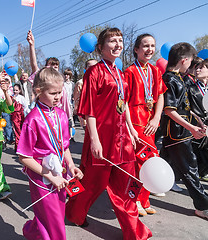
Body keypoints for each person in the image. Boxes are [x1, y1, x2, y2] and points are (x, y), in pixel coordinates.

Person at [65, 28, 152, 239]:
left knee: (124, 187)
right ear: (101, 48)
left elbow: (126, 105)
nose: (117, 45)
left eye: (120, 41)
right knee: (90, 184)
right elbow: (89, 109)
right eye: (112, 41)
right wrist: (94, 139)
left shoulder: (120, 73)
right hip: (102, 140)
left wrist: (131, 130)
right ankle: (73, 212)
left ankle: (134, 232)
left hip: (123, 142)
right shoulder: (94, 72)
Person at [17, 67, 83, 240]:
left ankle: (31, 231)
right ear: (39, 91)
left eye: (60, 92)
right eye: (53, 93)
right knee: (54, 221)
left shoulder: (61, 115)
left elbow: (65, 147)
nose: (58, 97)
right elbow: (24, 156)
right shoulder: (33, 119)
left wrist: (71, 165)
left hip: (59, 172)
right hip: (41, 176)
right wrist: (50, 176)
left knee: (54, 213)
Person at [160, 42, 208, 220]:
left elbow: (186, 108)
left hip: (182, 130)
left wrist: (197, 122)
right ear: (184, 60)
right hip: (177, 133)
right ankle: (203, 206)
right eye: (190, 63)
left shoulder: (179, 78)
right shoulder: (170, 79)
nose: (192, 67)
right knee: (190, 169)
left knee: (166, 164)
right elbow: (169, 110)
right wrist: (192, 128)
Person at [124, 33, 167, 216]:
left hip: (150, 124)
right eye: (145, 46)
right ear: (136, 49)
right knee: (139, 164)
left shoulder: (155, 70)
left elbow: (160, 95)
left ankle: (144, 199)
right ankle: (135, 202)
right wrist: (130, 128)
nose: (150, 49)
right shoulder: (130, 72)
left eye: (152, 45)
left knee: (150, 162)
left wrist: (157, 117)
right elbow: (123, 101)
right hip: (136, 124)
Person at [187, 59, 208, 181]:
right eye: (196, 68)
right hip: (196, 126)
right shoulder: (190, 88)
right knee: (195, 153)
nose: (197, 70)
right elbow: (186, 108)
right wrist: (198, 120)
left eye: (201, 67)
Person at [73, 59, 98, 128]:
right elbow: (77, 98)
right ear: (85, 68)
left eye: (95, 66)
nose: (93, 68)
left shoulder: (102, 81)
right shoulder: (81, 83)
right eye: (90, 67)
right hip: (87, 114)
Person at [11, 84, 28, 151]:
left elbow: (25, 106)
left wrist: (27, 114)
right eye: (14, 90)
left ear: (20, 90)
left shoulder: (21, 97)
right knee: (17, 131)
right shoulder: (12, 97)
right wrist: (13, 101)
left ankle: (21, 146)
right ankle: (18, 147)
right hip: (15, 116)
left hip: (21, 115)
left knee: (22, 131)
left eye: (16, 90)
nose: (15, 91)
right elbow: (9, 107)